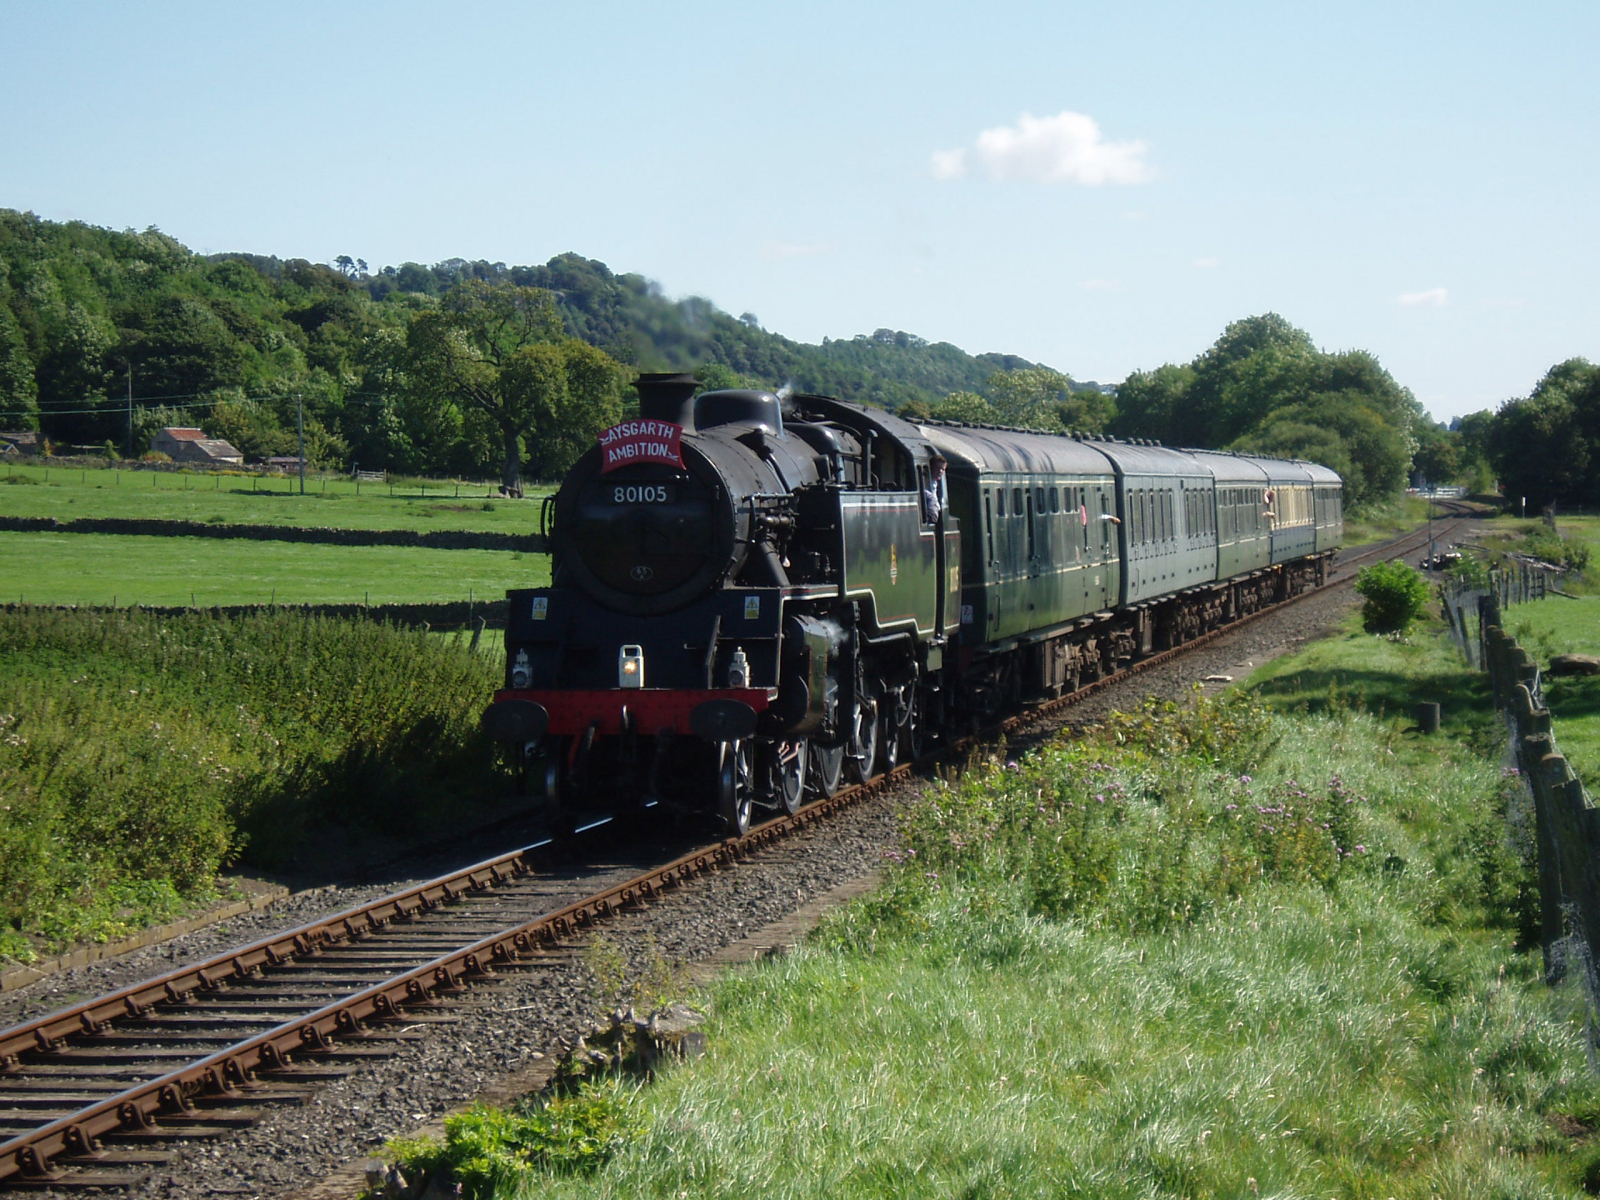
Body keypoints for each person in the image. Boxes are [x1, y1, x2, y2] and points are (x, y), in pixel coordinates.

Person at [922, 454, 947, 524]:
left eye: (943, 469)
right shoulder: (924, 482)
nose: (940, 471)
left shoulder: (935, 484)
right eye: (938, 468)